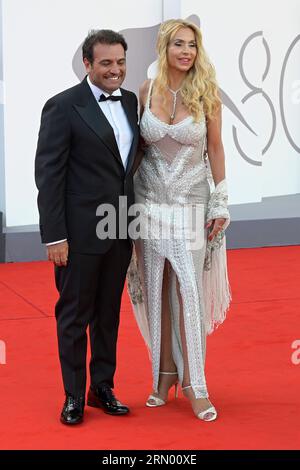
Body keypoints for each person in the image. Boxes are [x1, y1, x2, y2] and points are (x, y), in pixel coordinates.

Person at [127, 19, 231, 421]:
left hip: (190, 204)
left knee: (190, 289)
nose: (186, 51)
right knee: (156, 288)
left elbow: (217, 151)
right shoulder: (144, 91)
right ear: (164, 48)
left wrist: (220, 202)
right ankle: (162, 374)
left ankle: (196, 384)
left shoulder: (207, 94)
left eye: (191, 45)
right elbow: (136, 147)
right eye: (178, 44)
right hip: (147, 203)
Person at [35, 29, 139, 425]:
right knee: (74, 315)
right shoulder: (62, 106)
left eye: (121, 62)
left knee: (108, 314)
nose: (116, 70)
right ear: (88, 64)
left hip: (120, 227)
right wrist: (55, 236)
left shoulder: (131, 102)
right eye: (107, 63)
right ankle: (73, 395)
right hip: (77, 233)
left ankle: (102, 387)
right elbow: (48, 175)